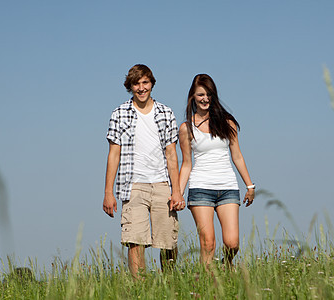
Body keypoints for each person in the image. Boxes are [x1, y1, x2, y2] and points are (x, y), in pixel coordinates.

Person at [103, 64, 185, 278]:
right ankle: (140, 288)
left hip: (162, 184)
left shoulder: (166, 113)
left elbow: (172, 154)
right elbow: (114, 154)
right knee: (135, 241)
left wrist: (176, 191)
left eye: (145, 82)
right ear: (130, 86)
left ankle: (169, 283)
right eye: (136, 83)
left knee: (168, 241)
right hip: (133, 185)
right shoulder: (119, 113)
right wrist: (108, 192)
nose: (141, 88)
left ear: (152, 84)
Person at [179, 74, 255, 266]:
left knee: (232, 243)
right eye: (201, 94)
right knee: (208, 244)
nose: (205, 99)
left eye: (209, 94)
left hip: (227, 187)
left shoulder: (226, 122)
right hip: (201, 188)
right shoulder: (186, 128)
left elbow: (237, 155)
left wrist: (250, 185)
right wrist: (178, 193)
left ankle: (226, 264)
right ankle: (207, 285)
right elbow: (186, 163)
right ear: (193, 97)